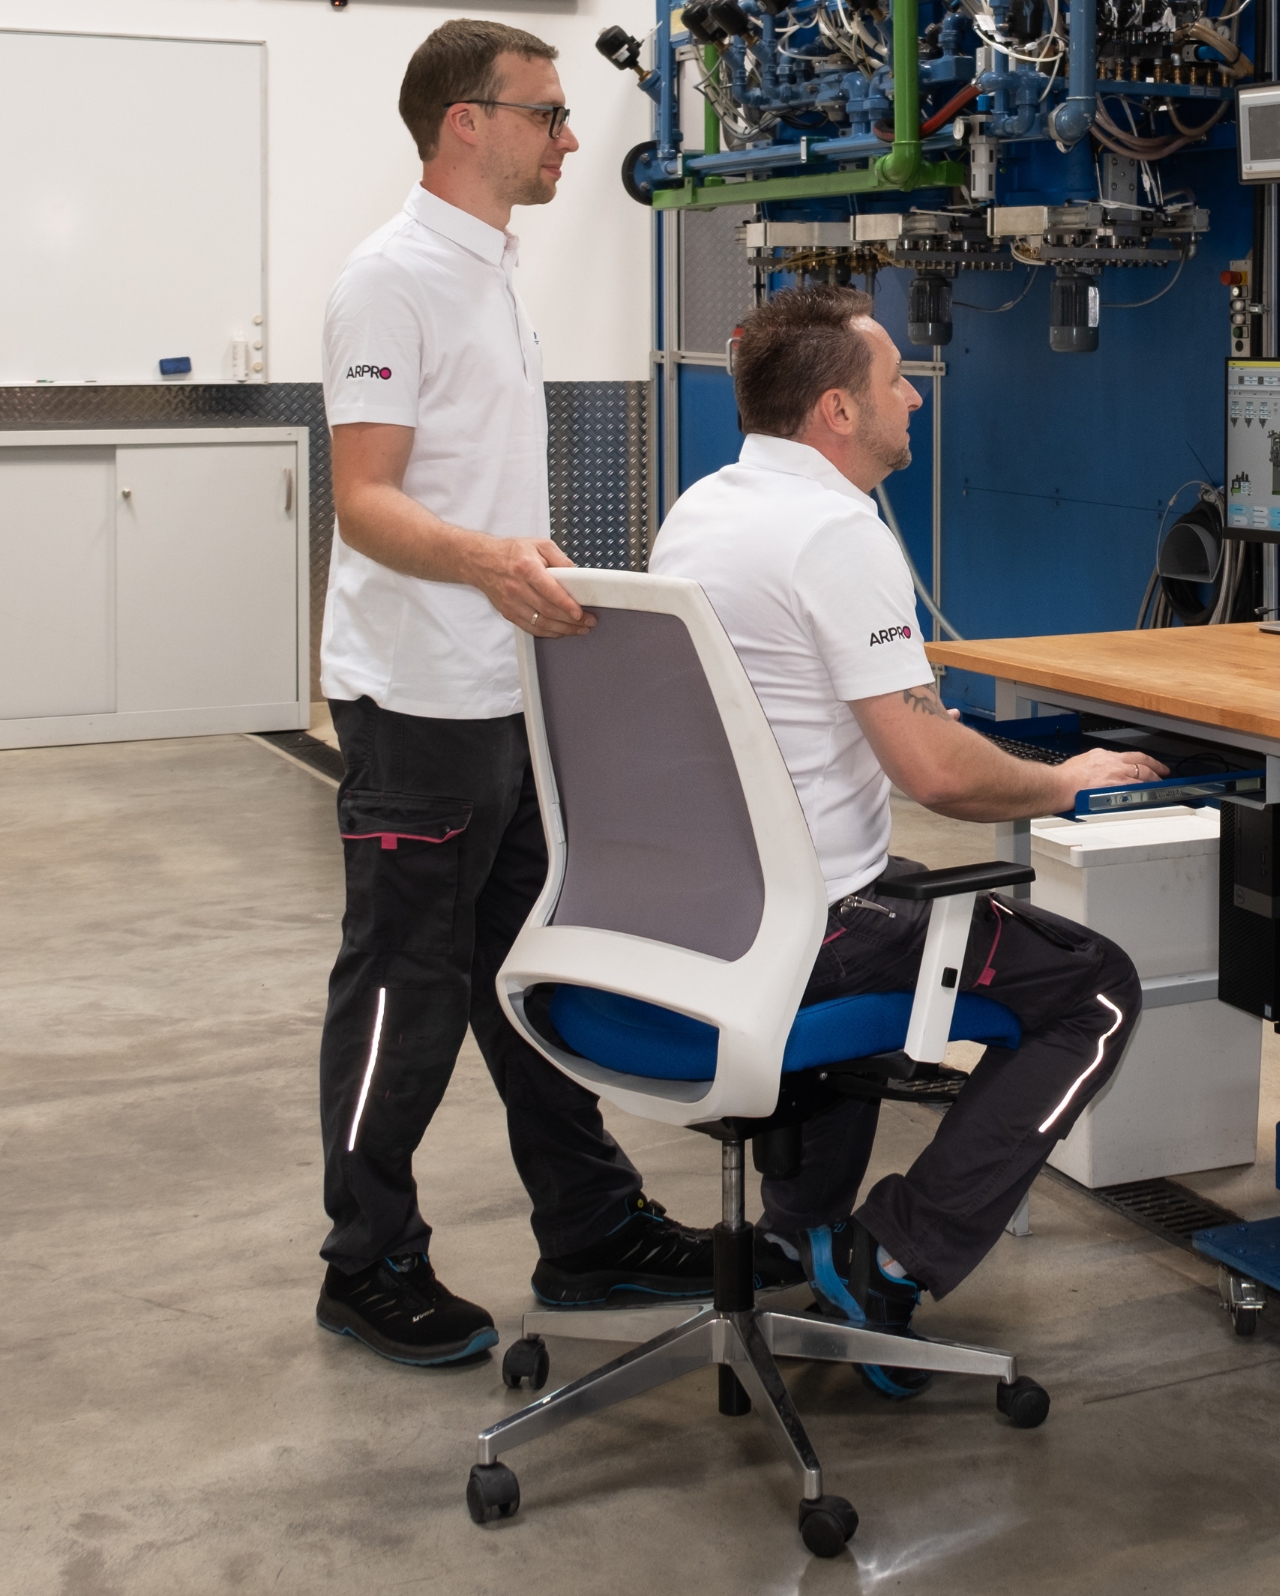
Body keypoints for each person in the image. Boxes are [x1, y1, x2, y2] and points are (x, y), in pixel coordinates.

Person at [649, 286, 1163, 1396]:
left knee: (905, 896)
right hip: (805, 933)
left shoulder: (705, 506)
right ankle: (891, 1255)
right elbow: (932, 769)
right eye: (895, 380)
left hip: (692, 919)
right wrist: (1064, 784)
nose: (916, 395)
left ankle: (801, 1239)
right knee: (1095, 987)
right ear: (838, 411)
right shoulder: (836, 532)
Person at [314, 19, 713, 1370]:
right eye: (546, 114)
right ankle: (364, 1261)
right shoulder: (392, 280)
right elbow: (366, 504)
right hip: (417, 700)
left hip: (503, 693)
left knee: (526, 972)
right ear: (465, 123)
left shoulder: (493, 275)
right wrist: (487, 561)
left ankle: (590, 1225)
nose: (570, 138)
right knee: (403, 988)